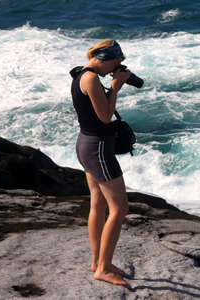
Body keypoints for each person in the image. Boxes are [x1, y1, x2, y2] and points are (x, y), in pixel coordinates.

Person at [71, 39, 131, 288]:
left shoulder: (81, 75)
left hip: (86, 144)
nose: (115, 69)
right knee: (119, 208)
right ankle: (104, 269)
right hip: (98, 149)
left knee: (98, 203)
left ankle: (98, 262)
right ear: (106, 59)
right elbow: (105, 117)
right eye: (116, 64)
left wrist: (112, 85)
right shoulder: (92, 79)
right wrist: (115, 88)